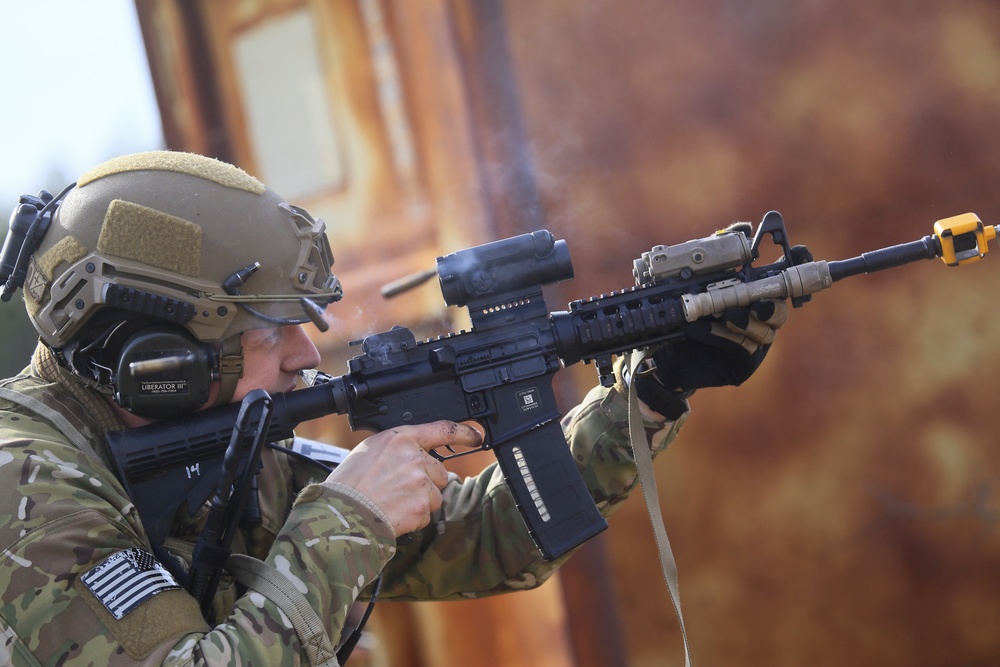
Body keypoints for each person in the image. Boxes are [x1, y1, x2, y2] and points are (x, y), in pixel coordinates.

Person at [0, 150, 786, 665]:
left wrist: (647, 395)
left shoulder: (212, 444)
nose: (308, 356)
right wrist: (346, 521)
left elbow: (471, 538)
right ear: (160, 358)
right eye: (273, 331)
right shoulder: (24, 484)